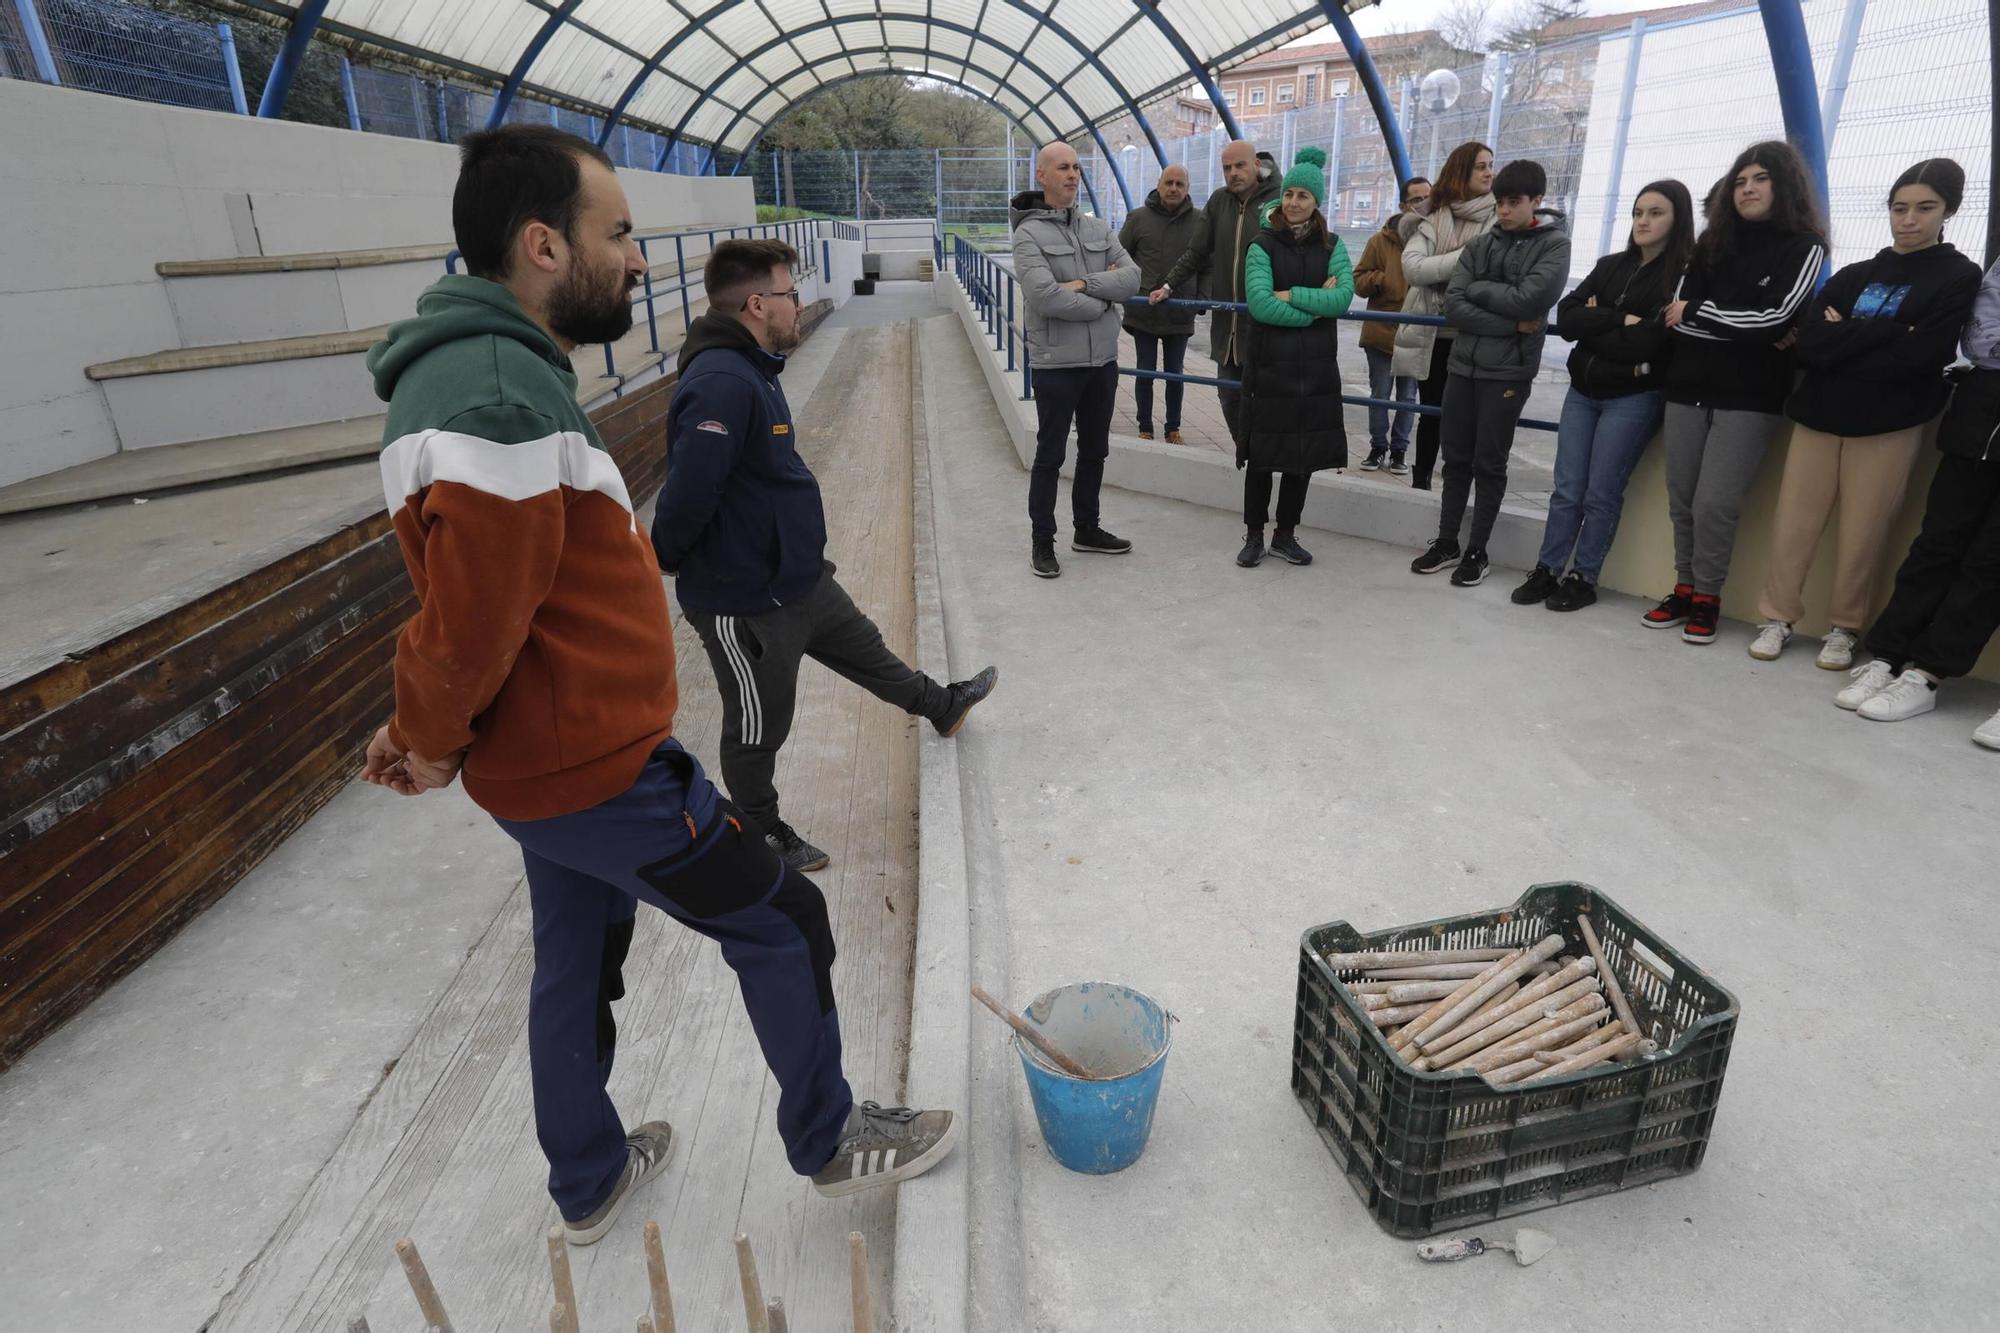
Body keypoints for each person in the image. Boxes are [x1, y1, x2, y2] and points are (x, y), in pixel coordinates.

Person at [360, 126, 958, 1247]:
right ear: (542, 243)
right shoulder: (496, 395)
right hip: (589, 766)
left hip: (540, 760)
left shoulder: (483, 372)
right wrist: (425, 734)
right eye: (618, 234)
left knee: (574, 961)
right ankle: (829, 1138)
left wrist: (435, 729)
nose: (639, 260)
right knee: (782, 913)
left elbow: (479, 603)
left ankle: (586, 1178)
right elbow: (471, 621)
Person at [653, 238, 1000, 873]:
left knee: (868, 652)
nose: (798, 303)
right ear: (757, 304)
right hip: (745, 599)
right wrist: (677, 559)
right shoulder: (722, 382)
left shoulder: (752, 365)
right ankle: (757, 832)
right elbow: (688, 493)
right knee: (759, 726)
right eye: (789, 293)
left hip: (796, 576)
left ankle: (942, 708)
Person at [1748, 159, 1983, 669]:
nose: (1909, 220)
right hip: (1817, 417)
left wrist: (1848, 333)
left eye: (1925, 208)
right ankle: (1777, 617)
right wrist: (1894, 333)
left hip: (1889, 426)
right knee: (1794, 526)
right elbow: (1810, 344)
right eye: (1900, 208)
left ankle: (1844, 628)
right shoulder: (1857, 272)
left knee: (1865, 532)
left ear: (1949, 211)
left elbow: (1926, 356)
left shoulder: (1958, 275)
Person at [1641, 140, 1827, 644]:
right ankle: (1683, 586)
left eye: (1760, 179)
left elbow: (1776, 319)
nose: (1748, 189)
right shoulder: (1710, 244)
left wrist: (1706, 314)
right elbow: (1675, 318)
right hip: (1688, 387)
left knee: (1715, 505)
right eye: (1741, 180)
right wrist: (1741, 326)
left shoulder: (1805, 246)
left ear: (1783, 185)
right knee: (1682, 499)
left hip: (1750, 396)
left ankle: (1708, 597)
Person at [1830, 255, 2000, 749]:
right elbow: (1980, 338)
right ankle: (1886, 656)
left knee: (1989, 562)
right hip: (1979, 412)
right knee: (1937, 544)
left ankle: (1927, 674)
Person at [1511, 180, 1694, 612]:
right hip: (1582, 391)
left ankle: (1583, 576)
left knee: (1601, 494)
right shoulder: (1610, 264)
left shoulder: (1682, 276)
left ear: (1677, 219)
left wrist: (1600, 323)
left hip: (1632, 397)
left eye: (1655, 213)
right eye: (1638, 212)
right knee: (1567, 488)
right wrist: (1619, 319)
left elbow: (1648, 343)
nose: (1643, 221)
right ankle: (1546, 568)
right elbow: (1568, 319)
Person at [1409, 159, 1570, 587]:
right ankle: (1447, 542)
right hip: (1463, 365)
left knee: (1489, 462)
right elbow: (1454, 305)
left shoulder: (1554, 246)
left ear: (1536, 201)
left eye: (1513, 203)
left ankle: (1477, 550)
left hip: (1507, 373)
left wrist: (1485, 295)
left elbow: (1530, 301)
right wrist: (1507, 317)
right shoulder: (1483, 243)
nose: (1503, 211)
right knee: (1455, 457)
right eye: (1499, 202)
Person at [1011, 141, 1142, 578]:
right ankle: (1042, 541)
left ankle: (1087, 529)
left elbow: (1132, 277)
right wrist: (1104, 305)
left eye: (1077, 168)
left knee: (1095, 452)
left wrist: (1084, 285)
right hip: (1056, 365)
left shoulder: (1098, 229)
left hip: (1101, 362)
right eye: (1063, 168)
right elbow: (1044, 297)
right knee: (1049, 456)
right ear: (1042, 176)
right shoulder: (1028, 234)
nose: (1072, 175)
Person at [1235, 147, 1356, 568]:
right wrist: (1313, 309)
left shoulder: (1334, 245)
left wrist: (1296, 296)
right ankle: (1254, 535)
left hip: (1316, 372)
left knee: (1301, 459)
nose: (1293, 203)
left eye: (1303, 195)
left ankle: (1285, 534)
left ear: (1317, 202)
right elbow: (1261, 304)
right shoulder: (1262, 244)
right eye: (1289, 194)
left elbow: (1342, 299)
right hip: (1271, 370)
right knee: (1263, 458)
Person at [1151, 140, 1283, 451]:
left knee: (1266, 401)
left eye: (1240, 166)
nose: (1233, 173)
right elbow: (1196, 252)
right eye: (1227, 167)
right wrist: (1168, 285)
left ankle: (1264, 460)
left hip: (1267, 324)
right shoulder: (1219, 202)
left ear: (1256, 165)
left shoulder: (1279, 199)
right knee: (1228, 395)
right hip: (1228, 329)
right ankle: (1247, 454)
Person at [1395, 142, 1497, 490]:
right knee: (1432, 414)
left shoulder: (1499, 216)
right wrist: (1468, 256)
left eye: (1490, 166)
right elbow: (1413, 269)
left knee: (1467, 420)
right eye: (1480, 166)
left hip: (1473, 335)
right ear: (1460, 172)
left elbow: (1487, 275)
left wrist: (1441, 265)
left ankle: (1457, 489)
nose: (1488, 173)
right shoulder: (1432, 216)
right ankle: (1421, 481)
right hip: (1433, 334)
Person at [1352, 175, 1430, 473]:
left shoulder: (1435, 241)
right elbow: (1359, 280)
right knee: (1380, 394)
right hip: (1382, 331)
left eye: (1429, 198)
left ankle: (1399, 450)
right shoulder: (1379, 241)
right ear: (1402, 205)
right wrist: (1381, 280)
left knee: (1408, 397)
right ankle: (1378, 447)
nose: (1424, 205)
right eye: (1417, 200)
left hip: (1416, 333)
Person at [1118, 164, 1200, 442]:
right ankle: (1144, 427)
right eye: (1169, 183)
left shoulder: (1200, 222)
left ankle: (1172, 428)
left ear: (1187, 188)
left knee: (1175, 374)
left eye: (1179, 184)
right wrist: (1130, 292)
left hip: (1180, 312)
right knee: (1145, 372)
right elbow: (1121, 257)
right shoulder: (1138, 218)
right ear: (1159, 184)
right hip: (1144, 312)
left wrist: (1199, 301)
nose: (1174, 188)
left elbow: (1208, 264)